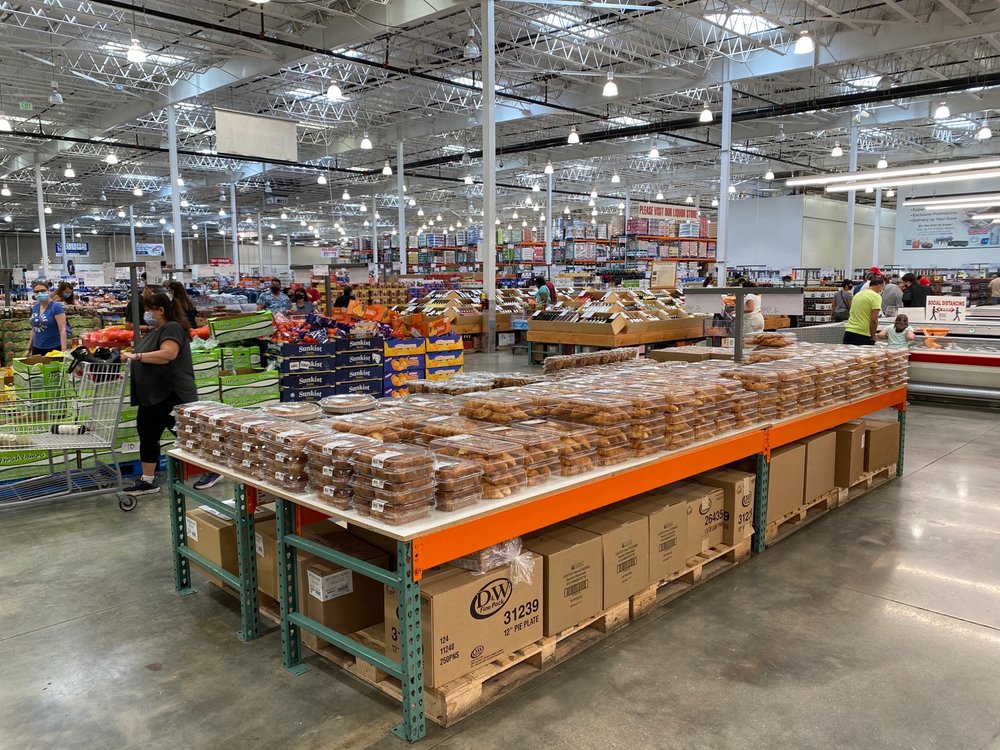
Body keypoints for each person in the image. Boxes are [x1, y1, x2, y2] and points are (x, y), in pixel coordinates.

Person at [120, 292, 198, 496]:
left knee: (187, 435)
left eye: (149, 310)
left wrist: (136, 356)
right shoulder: (158, 330)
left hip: (170, 393)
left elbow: (168, 354)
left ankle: (214, 470)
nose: (147, 314)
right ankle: (147, 480)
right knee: (147, 435)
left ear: (160, 310)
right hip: (152, 395)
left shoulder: (172, 328)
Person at [26, 283, 70, 355]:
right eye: (36, 292)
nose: (40, 293)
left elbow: (62, 330)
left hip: (54, 348)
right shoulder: (35, 307)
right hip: (37, 347)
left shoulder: (56, 307)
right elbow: (34, 329)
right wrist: (28, 349)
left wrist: (64, 350)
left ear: (48, 291)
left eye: (43, 291)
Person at [843, 275, 885, 346]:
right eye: (882, 287)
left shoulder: (858, 294)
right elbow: (874, 319)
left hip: (849, 331)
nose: (881, 290)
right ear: (879, 285)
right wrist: (873, 336)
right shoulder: (876, 296)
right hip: (863, 334)